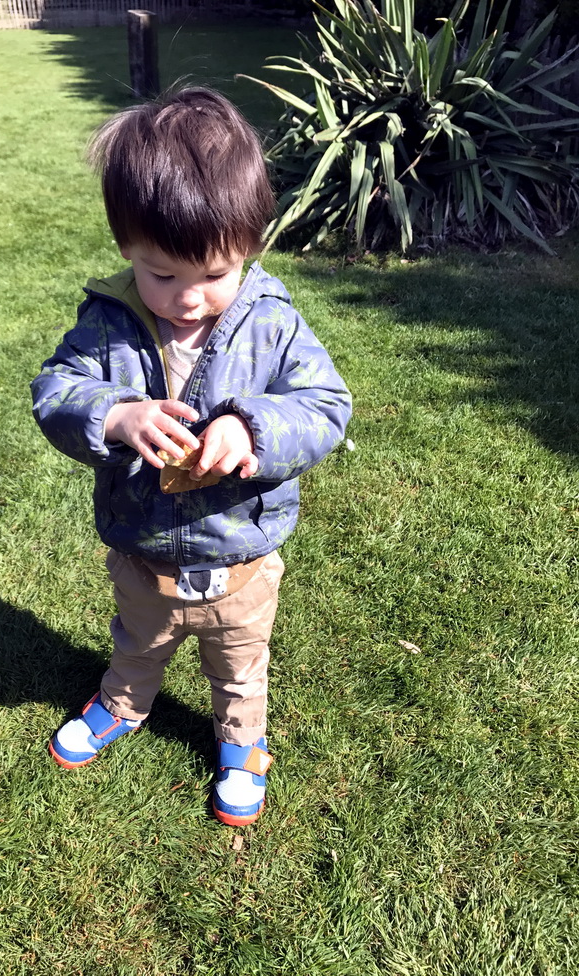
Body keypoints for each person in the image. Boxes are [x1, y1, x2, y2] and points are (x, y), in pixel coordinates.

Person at [31, 86, 352, 826]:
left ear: (250, 247)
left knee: (240, 669)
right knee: (137, 643)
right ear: (126, 249)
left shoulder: (271, 324)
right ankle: (120, 705)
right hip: (143, 549)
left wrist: (254, 427)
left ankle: (242, 744)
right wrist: (114, 413)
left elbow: (326, 406)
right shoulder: (109, 321)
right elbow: (56, 391)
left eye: (213, 275)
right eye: (162, 274)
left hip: (240, 557)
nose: (188, 299)